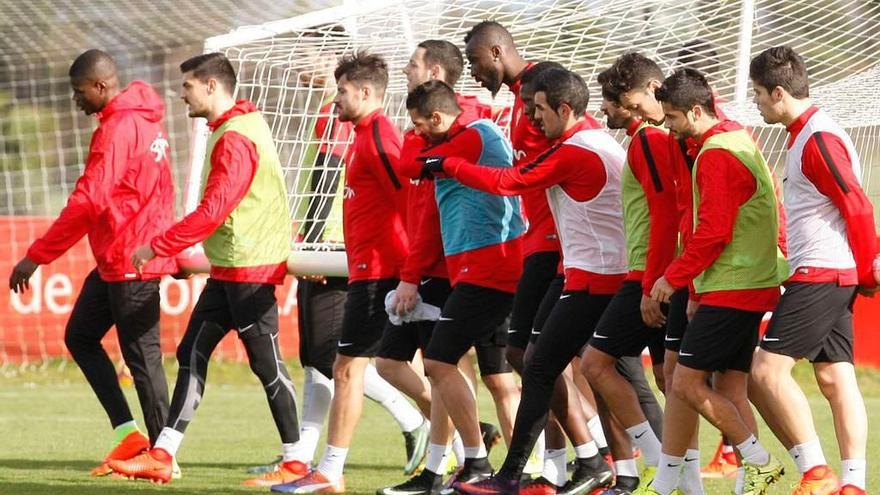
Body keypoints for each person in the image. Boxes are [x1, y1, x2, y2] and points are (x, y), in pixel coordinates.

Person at [423, 68, 625, 495]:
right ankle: (598, 464)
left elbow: (507, 182)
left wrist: (451, 164)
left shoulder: (575, 150)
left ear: (564, 108)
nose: (533, 120)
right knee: (571, 367)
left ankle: (527, 475)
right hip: (588, 275)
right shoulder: (588, 143)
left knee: (577, 370)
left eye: (539, 110)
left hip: (595, 280)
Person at [106, 52, 300, 484]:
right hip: (229, 267)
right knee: (192, 353)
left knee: (267, 365)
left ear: (212, 86)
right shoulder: (241, 124)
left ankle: (297, 460)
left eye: (188, 85)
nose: (181, 94)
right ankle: (163, 453)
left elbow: (213, 211)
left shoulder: (234, 136)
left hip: (250, 270)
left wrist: (160, 245)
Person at [8, 49, 175, 477]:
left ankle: (162, 457)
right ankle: (130, 435)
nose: (75, 100)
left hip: (131, 258)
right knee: (80, 335)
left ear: (100, 86)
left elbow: (88, 202)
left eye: (79, 92)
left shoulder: (118, 129)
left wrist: (35, 257)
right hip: (117, 257)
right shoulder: (143, 121)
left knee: (144, 359)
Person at [465, 22, 611, 495]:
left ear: (495, 51)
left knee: (596, 367)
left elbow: (516, 179)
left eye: (473, 61)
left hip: (567, 256)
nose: (533, 117)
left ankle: (614, 461)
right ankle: (576, 463)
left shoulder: (562, 116)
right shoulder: (528, 103)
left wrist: (448, 165)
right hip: (555, 252)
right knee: (537, 358)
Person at [377, 39, 522, 495]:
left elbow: (413, 164)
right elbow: (413, 164)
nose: (416, 133)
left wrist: (431, 154)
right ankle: (481, 465)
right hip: (475, 270)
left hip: (490, 269)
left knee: (467, 366)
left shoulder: (474, 134)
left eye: (421, 126)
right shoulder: (460, 136)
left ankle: (492, 463)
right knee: (502, 368)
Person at [271, 50, 412, 494]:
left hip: (382, 273)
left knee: (348, 367)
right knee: (386, 368)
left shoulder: (381, 139)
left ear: (366, 92)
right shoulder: (362, 135)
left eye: (343, 91)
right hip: (366, 270)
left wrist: (411, 272)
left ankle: (329, 471)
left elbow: (409, 204)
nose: (337, 98)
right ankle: (461, 438)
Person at [647, 68, 788, 495]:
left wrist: (674, 279)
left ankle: (761, 462)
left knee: (685, 382)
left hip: (734, 285)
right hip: (744, 282)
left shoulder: (716, 153)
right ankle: (753, 481)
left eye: (671, 118)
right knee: (728, 385)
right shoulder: (738, 138)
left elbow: (713, 231)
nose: (668, 129)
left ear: (694, 110)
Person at [748, 45, 877, 495]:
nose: (757, 102)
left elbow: (856, 204)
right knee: (835, 377)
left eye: (759, 94)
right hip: (829, 271)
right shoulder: (806, 134)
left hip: (822, 274)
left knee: (764, 372)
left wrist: (870, 265)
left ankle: (816, 474)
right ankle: (853, 485)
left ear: (779, 92)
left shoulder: (818, 137)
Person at [586, 64, 679, 495]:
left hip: (648, 272)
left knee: (596, 363)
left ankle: (662, 464)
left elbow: (664, 212)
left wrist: (650, 283)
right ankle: (677, 472)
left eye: (616, 96)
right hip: (654, 271)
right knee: (671, 378)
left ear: (649, 91)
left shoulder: (647, 140)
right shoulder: (652, 139)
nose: (609, 106)